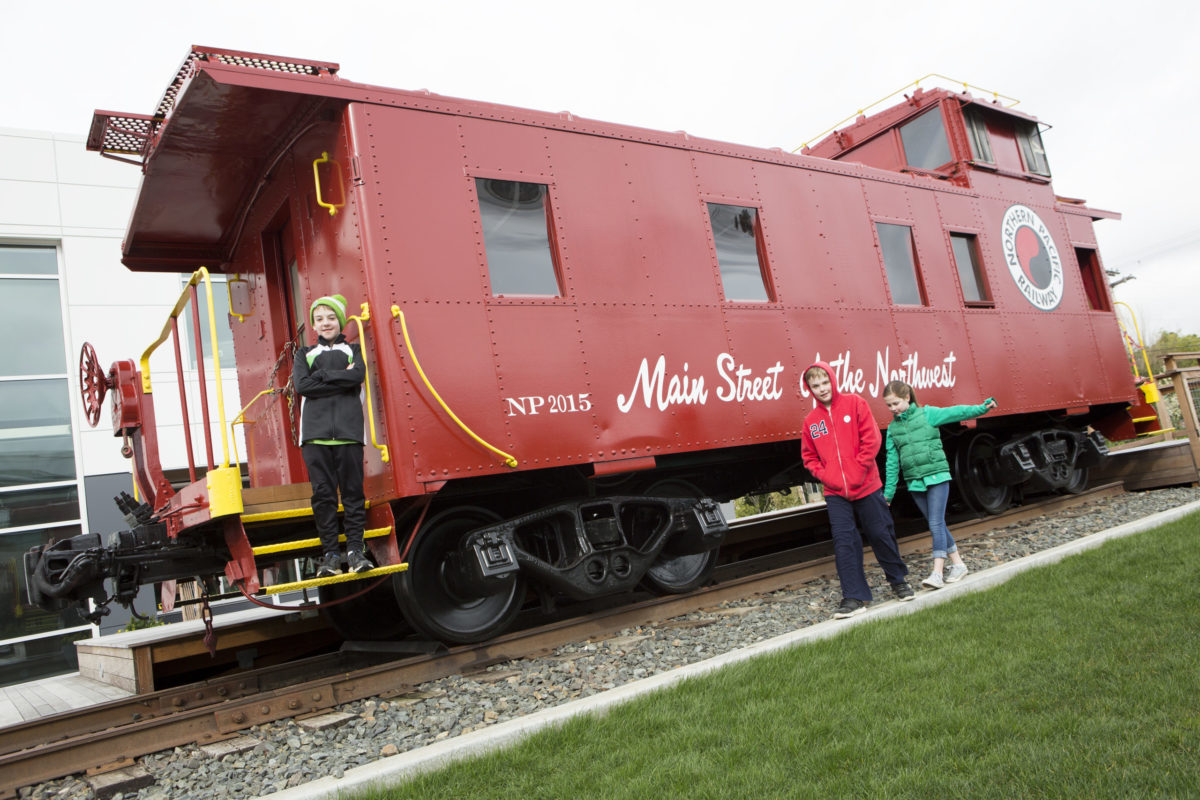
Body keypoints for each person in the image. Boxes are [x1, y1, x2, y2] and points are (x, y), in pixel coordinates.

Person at [801, 362, 914, 618]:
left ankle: (898, 581)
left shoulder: (855, 404)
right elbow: (809, 457)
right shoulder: (811, 422)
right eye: (815, 386)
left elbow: (872, 440)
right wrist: (827, 476)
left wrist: (857, 472)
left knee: (880, 533)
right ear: (810, 389)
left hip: (866, 484)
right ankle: (853, 596)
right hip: (835, 492)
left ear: (832, 380)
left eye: (824, 382)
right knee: (844, 542)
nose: (821, 389)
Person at [881, 380, 996, 590]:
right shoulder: (892, 429)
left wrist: (981, 408)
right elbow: (891, 463)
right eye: (889, 405)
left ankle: (937, 572)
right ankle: (959, 565)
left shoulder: (928, 414)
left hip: (937, 477)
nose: (893, 409)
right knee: (938, 524)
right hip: (916, 483)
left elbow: (957, 412)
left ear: (907, 398)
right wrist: (887, 494)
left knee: (935, 523)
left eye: (896, 403)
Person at [292, 294, 372, 577]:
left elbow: (357, 376)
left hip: (350, 434)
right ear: (313, 325)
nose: (325, 323)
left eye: (330, 317)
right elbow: (302, 386)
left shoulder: (354, 350)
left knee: (352, 495)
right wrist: (337, 377)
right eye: (319, 319)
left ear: (339, 320)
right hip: (314, 437)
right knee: (323, 496)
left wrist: (321, 377)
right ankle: (329, 556)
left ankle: (355, 552)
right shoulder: (304, 354)